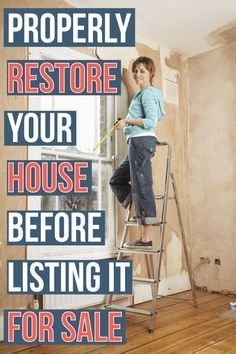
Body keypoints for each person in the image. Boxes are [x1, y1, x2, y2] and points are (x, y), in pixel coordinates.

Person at [110, 56, 165, 249]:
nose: (137, 74)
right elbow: (139, 108)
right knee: (116, 180)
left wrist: (127, 121)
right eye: (135, 70)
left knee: (142, 186)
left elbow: (150, 121)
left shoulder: (148, 94)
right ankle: (137, 208)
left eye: (142, 70)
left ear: (151, 73)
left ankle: (146, 239)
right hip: (137, 143)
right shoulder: (143, 95)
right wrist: (126, 81)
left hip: (141, 142)